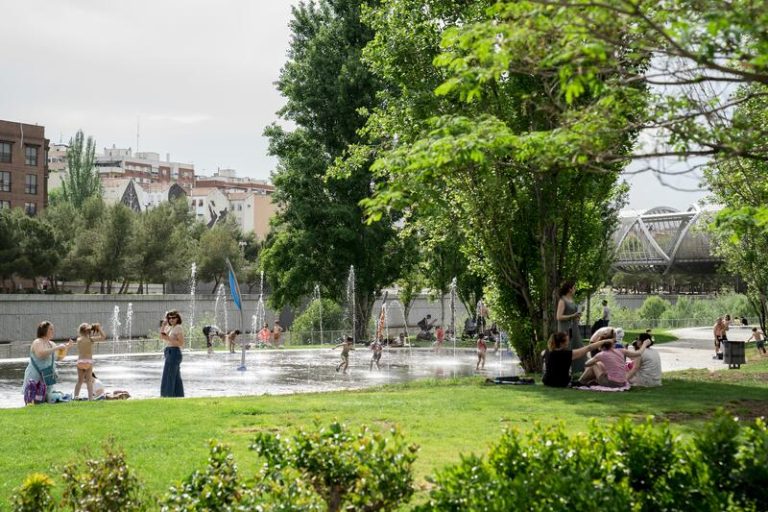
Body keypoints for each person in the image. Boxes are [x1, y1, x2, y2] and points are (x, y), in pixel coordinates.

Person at [23, 321, 74, 404]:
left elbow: (59, 358)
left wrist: (67, 347)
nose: (53, 331)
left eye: (53, 329)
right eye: (50, 329)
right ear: (44, 330)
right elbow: (40, 354)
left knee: (45, 400)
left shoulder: (52, 344)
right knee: (32, 400)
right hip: (35, 376)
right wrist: (57, 348)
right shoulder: (37, 342)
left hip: (47, 376)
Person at [541, 332, 606, 387]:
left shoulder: (546, 352)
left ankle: (582, 381)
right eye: (567, 340)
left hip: (547, 381)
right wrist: (605, 341)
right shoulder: (566, 354)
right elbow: (588, 348)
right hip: (561, 383)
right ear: (561, 343)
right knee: (592, 366)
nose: (568, 342)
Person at [581, 338, 650, 388]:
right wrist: (645, 344)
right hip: (622, 382)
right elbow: (638, 353)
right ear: (612, 346)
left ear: (601, 347)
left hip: (612, 383)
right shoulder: (621, 351)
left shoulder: (601, 354)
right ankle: (588, 381)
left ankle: (581, 381)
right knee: (601, 366)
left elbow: (587, 364)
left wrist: (592, 359)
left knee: (594, 364)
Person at [556, 282, 584, 373]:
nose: (575, 289)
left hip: (574, 328)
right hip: (565, 329)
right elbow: (559, 317)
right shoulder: (562, 300)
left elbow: (574, 315)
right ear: (569, 289)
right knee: (567, 349)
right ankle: (564, 371)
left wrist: (577, 316)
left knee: (578, 347)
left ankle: (577, 371)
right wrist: (572, 315)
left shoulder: (572, 299)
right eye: (574, 287)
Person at [73, 322, 105, 400]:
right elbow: (103, 337)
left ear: (80, 332)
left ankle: (75, 396)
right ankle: (90, 397)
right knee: (89, 381)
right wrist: (99, 328)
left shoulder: (78, 340)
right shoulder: (90, 339)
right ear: (88, 331)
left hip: (80, 362)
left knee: (79, 381)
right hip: (88, 362)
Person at [159, 310, 185, 397]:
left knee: (169, 376)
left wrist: (168, 338)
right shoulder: (170, 327)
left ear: (178, 318)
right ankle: (178, 395)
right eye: (169, 318)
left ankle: (167, 395)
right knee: (175, 377)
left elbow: (181, 343)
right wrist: (163, 325)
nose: (171, 319)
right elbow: (161, 336)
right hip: (169, 352)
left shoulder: (178, 327)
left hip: (174, 352)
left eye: (173, 317)